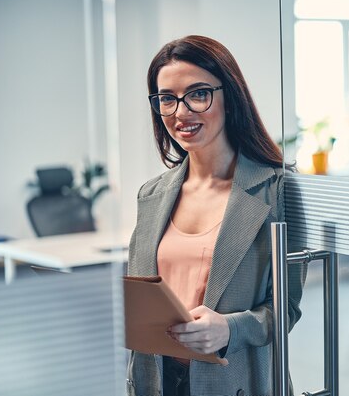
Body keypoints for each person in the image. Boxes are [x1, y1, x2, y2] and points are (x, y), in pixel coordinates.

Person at [126, 35, 306, 396]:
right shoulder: (151, 194)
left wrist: (230, 328)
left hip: (234, 381)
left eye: (197, 94)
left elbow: (284, 308)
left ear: (230, 96)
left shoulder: (276, 189)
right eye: (167, 99)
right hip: (158, 381)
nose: (180, 112)